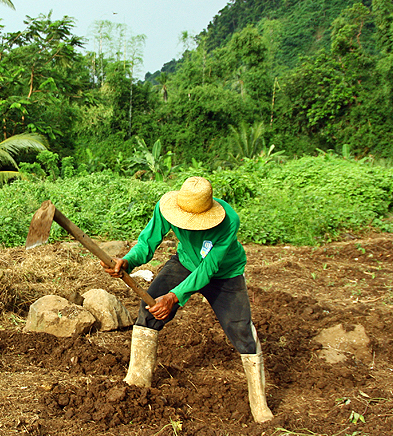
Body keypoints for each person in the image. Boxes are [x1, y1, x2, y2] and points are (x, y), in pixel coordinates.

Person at [104, 176, 273, 423]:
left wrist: (174, 297)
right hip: (185, 262)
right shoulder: (166, 208)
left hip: (224, 273)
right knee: (149, 309)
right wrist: (128, 261)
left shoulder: (229, 221)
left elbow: (208, 268)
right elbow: (147, 242)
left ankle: (259, 403)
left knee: (240, 329)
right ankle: (137, 382)